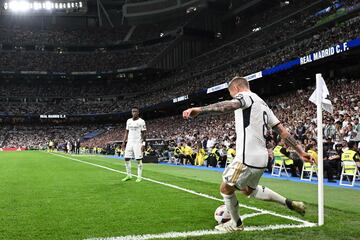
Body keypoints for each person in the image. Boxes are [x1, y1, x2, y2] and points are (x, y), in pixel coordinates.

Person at [183, 76, 312, 232]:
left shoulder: (244, 96)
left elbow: (227, 106)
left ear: (236, 88)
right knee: (247, 190)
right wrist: (300, 151)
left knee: (225, 189)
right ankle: (289, 203)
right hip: (263, 158)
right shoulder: (263, 104)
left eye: (232, 93)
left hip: (247, 157)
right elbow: (283, 132)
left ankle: (236, 224)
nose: (234, 97)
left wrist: (200, 110)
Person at [122, 107, 147, 182]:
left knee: (138, 160)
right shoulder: (128, 121)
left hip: (137, 143)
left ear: (138, 112)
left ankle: (139, 176)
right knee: (126, 158)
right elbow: (126, 132)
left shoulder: (141, 121)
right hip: (129, 142)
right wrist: (123, 142)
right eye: (133, 111)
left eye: (135, 111)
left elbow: (144, 133)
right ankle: (129, 175)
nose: (134, 113)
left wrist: (144, 144)